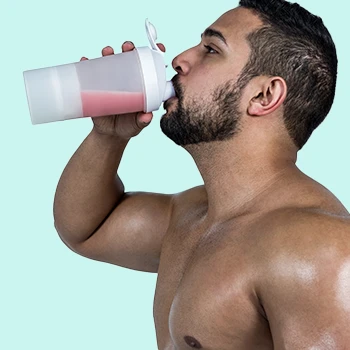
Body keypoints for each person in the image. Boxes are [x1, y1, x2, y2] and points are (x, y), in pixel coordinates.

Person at [53, 0, 350, 348]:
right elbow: (87, 229)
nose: (179, 59)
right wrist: (109, 136)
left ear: (264, 95)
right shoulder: (193, 214)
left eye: (211, 49)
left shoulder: (319, 249)